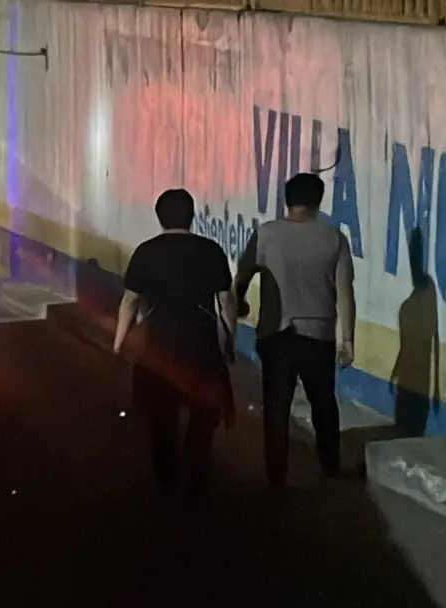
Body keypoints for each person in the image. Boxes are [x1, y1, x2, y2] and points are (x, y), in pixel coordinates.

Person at [232, 172, 356, 487]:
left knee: (276, 406)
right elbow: (345, 294)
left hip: (275, 335)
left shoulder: (267, 234)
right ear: (319, 201)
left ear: (287, 200)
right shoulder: (334, 238)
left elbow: (240, 279)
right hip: (319, 336)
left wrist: (240, 307)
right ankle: (330, 467)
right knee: (324, 404)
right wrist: (348, 339)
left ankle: (276, 474)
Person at [113, 189, 236, 504]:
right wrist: (230, 340)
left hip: (161, 346)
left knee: (162, 418)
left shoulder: (146, 252)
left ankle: (166, 479)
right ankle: (196, 477)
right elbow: (226, 302)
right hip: (201, 344)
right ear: (191, 216)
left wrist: (119, 342)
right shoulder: (211, 251)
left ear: (159, 216)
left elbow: (130, 301)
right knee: (202, 417)